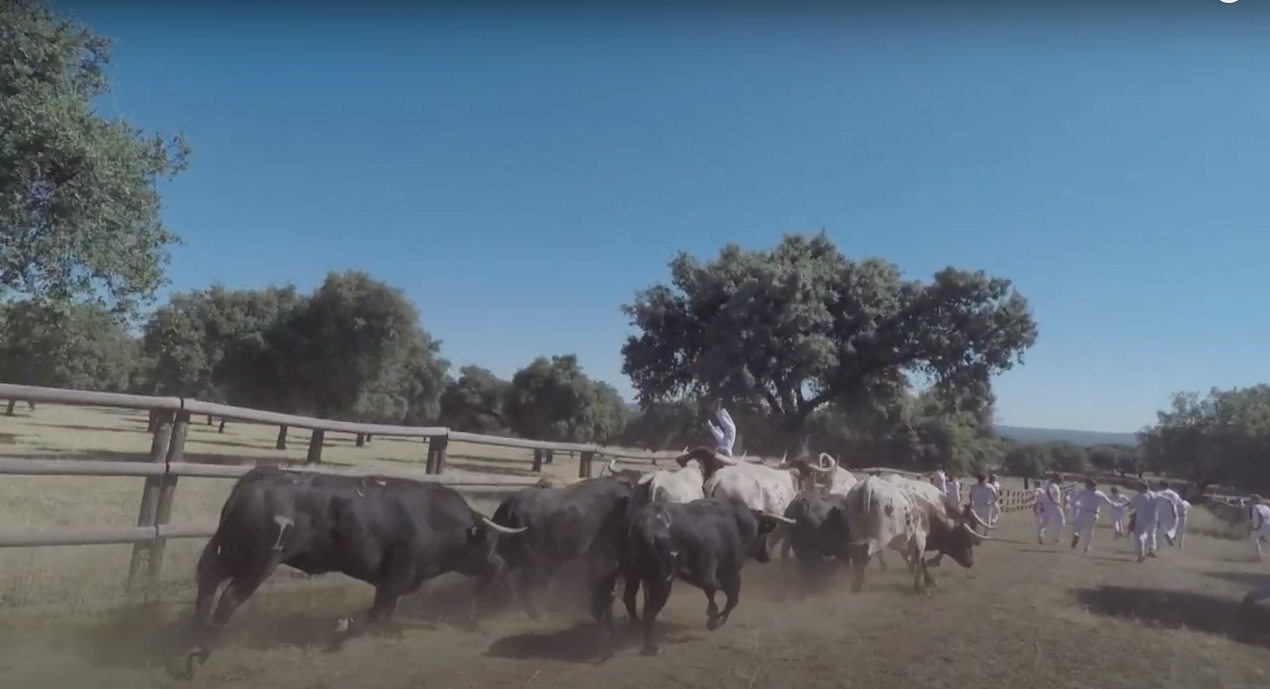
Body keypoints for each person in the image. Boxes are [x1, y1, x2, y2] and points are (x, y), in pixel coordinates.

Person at [1068, 478, 1114, 553]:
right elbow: (1111, 503)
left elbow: (1073, 501)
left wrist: (1077, 505)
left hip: (1082, 513)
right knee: (1090, 531)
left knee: (1076, 528)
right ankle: (1086, 547)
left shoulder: (1082, 492)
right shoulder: (1100, 494)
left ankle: (1076, 535)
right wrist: (1121, 505)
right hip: (1094, 515)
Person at [1129, 482, 1160, 562]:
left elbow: (1132, 506)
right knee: (1151, 533)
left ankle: (1140, 555)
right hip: (1153, 517)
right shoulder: (1155, 495)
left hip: (1142, 517)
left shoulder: (1139, 496)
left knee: (1139, 535)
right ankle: (1151, 549)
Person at [1038, 472, 1066, 545]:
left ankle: (1041, 534)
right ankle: (1056, 537)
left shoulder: (1050, 484)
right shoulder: (1051, 485)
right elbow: (1048, 492)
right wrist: (1053, 501)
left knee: (1045, 521)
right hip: (1053, 505)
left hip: (1047, 505)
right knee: (1061, 520)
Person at [1155, 480, 1183, 547]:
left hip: (1161, 513)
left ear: (1161, 485)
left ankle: (1156, 546)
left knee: (1158, 529)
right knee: (1170, 528)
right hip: (1173, 513)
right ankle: (1168, 535)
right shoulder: (1175, 494)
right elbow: (1180, 504)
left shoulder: (1159, 493)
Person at [1250, 495, 1270, 561]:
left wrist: (1256, 527)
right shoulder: (1266, 507)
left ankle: (1259, 556)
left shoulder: (1255, 507)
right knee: (1266, 541)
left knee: (1254, 538)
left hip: (1261, 526)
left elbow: (1258, 518)